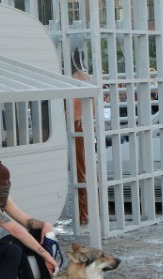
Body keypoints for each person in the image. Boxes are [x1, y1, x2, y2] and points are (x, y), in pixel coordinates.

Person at [72, 49, 91, 226]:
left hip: (74, 125)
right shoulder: (86, 78)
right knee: (84, 169)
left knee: (80, 171)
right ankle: (86, 213)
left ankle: (84, 215)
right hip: (84, 125)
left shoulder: (71, 79)